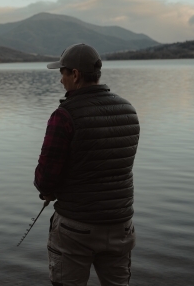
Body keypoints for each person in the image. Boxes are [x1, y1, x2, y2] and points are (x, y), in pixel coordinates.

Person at [34, 43, 140, 286]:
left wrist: (47, 191)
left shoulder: (64, 115)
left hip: (76, 228)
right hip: (121, 226)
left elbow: (46, 179)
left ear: (75, 74)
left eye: (62, 73)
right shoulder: (129, 110)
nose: (61, 80)